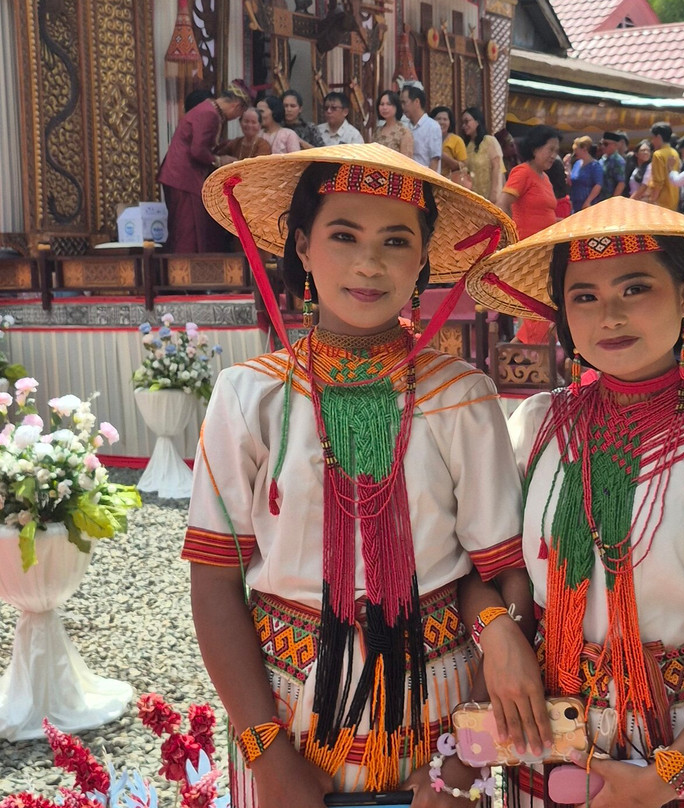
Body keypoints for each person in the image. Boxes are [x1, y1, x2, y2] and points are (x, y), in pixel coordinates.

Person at [188, 144, 547, 806]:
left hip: (437, 709)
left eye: (395, 241)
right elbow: (213, 579)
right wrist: (270, 761)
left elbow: (503, 575)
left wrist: (462, 760)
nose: (368, 262)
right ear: (301, 246)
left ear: (422, 264)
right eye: (343, 235)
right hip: (286, 713)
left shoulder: (460, 396)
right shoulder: (248, 395)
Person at [466, 195, 684, 808]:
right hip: (549, 745)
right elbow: (484, 573)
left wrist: (663, 777)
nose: (610, 316)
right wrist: (498, 633)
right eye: (584, 297)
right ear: (564, 317)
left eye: (635, 289)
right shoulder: (538, 425)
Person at [158, 81, 248, 253]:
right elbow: (198, 150)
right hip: (184, 177)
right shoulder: (210, 114)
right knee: (189, 231)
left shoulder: (207, 108)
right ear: (236, 106)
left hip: (178, 176)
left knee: (183, 228)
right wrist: (220, 160)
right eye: (239, 114)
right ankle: (185, 274)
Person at [498, 125, 559, 239]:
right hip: (527, 248)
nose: (554, 156)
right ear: (535, 149)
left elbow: (543, 214)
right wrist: (511, 237)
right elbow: (502, 204)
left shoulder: (545, 178)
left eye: (556, 151)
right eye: (550, 150)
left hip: (545, 246)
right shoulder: (523, 172)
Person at [633, 122, 679, 210]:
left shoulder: (658, 155)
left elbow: (658, 183)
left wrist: (651, 201)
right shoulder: (674, 153)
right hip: (673, 199)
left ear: (658, 137)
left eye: (653, 137)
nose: (652, 141)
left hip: (660, 202)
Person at [461, 107, 503, 203]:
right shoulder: (467, 146)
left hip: (491, 198)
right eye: (463, 123)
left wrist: (494, 194)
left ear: (477, 122)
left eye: (467, 121)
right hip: (473, 200)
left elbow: (497, 168)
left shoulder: (489, 141)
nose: (464, 126)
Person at [401, 84, 441, 172]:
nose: (402, 107)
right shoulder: (404, 127)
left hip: (425, 180)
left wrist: (428, 183)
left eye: (405, 102)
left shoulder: (432, 126)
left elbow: (434, 160)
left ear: (416, 102)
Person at [430, 106, 468, 185]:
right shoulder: (427, 139)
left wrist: (442, 155)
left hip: (450, 185)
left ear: (450, 122)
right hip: (429, 181)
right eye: (438, 119)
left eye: (445, 119)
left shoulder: (456, 140)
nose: (441, 122)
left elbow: (463, 167)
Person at [372, 91, 413, 158]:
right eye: (382, 104)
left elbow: (407, 161)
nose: (384, 107)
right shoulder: (377, 131)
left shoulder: (403, 132)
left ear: (396, 106)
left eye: (389, 104)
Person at [568, 135, 603, 212]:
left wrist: (588, 201)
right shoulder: (577, 164)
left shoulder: (595, 166)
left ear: (584, 149)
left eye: (576, 150)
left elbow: (598, 185)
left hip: (588, 205)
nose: (574, 153)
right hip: (575, 203)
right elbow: (571, 181)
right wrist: (567, 166)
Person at [597, 131, 627, 202]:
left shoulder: (618, 161)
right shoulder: (602, 159)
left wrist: (613, 201)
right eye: (601, 144)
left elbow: (621, 183)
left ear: (615, 145)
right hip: (599, 200)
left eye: (606, 144)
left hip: (610, 200)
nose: (602, 146)